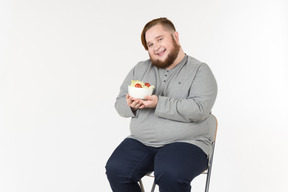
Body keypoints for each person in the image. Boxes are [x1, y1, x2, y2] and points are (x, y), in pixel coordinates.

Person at [105, 17, 217, 192]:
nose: (156, 47)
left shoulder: (200, 70)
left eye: (160, 39)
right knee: (116, 169)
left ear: (175, 37)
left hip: (188, 142)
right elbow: (119, 104)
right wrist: (132, 106)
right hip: (142, 141)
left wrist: (158, 103)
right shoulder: (140, 69)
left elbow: (200, 109)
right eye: (150, 44)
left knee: (170, 173)